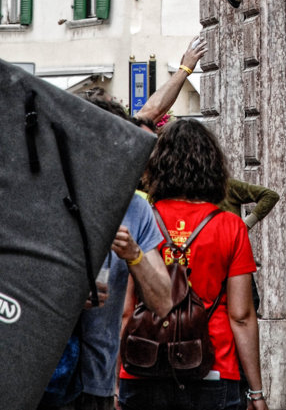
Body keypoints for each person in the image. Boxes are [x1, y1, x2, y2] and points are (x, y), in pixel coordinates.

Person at [118, 119, 269, 410]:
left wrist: (114, 383)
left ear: (158, 167)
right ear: (212, 168)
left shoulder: (141, 219)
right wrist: (256, 392)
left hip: (142, 364)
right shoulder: (231, 227)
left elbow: (125, 311)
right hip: (213, 368)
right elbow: (241, 316)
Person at [58, 96, 173, 410]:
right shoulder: (48, 195)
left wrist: (134, 254)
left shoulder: (134, 207)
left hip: (97, 380)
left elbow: (164, 302)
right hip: (39, 374)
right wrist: (65, 293)